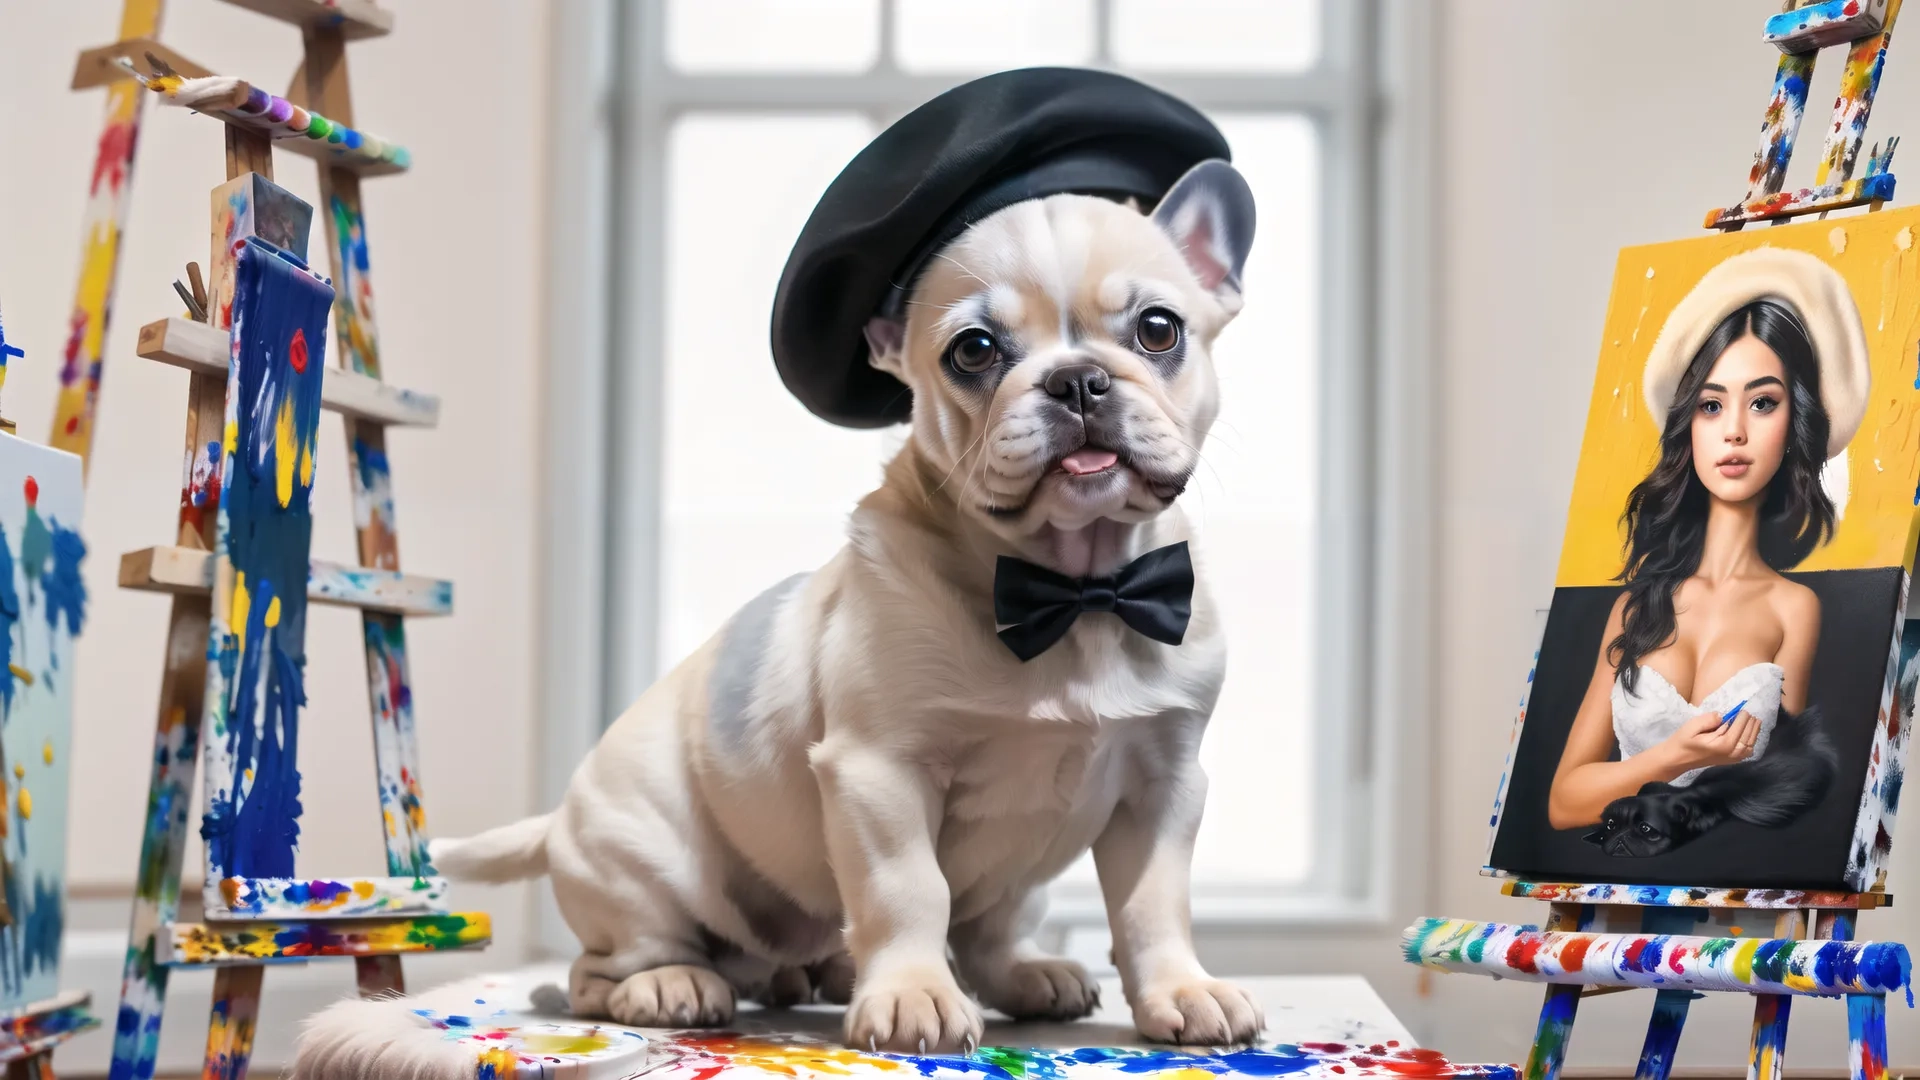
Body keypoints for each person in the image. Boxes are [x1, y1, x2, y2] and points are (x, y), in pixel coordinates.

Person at [1548, 248, 1869, 830]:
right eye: (1711, 405)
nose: (1735, 432)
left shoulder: (1794, 608)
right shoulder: (1634, 609)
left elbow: (1787, 794)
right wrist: (1677, 756)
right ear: (1687, 425)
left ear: (1794, 424)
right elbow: (1565, 802)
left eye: (1763, 403)